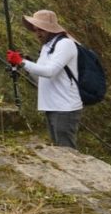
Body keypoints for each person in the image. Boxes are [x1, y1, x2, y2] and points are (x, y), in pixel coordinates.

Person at [6, 9, 82, 148]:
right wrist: (23, 64)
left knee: (67, 151)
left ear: (51, 29)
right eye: (35, 30)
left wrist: (22, 62)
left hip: (65, 108)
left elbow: (50, 72)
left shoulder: (65, 44)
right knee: (59, 150)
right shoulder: (47, 47)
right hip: (51, 106)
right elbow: (42, 78)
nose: (38, 34)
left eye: (41, 30)